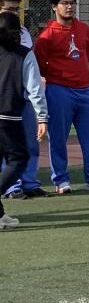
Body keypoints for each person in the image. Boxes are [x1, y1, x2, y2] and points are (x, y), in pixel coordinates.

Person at [34, 0, 89, 194]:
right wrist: (60, 75)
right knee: (58, 137)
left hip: (85, 90)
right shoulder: (46, 36)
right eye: (64, 3)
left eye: (72, 3)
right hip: (59, 91)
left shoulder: (84, 29)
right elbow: (40, 65)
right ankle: (61, 180)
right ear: (54, 7)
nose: (69, 6)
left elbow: (86, 54)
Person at [0, 12, 49, 230]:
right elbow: (35, 90)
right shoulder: (24, 54)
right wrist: (42, 117)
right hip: (9, 118)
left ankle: (0, 216)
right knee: (19, 159)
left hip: (8, 117)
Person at [0, 0, 43, 199]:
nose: (15, 13)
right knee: (11, 151)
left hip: (22, 98)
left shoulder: (23, 32)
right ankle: (11, 187)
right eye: (10, 9)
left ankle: (30, 183)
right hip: (6, 101)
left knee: (30, 142)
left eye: (17, 9)